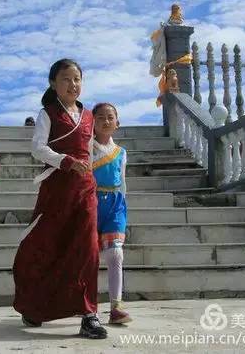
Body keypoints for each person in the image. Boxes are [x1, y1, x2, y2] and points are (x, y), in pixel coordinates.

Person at [12, 59, 107, 339]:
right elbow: (37, 148)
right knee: (47, 247)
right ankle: (35, 304)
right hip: (56, 189)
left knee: (88, 249)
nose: (73, 84)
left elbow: (90, 151)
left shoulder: (88, 115)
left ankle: (89, 314)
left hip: (85, 190)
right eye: (66, 79)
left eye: (77, 79)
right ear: (54, 83)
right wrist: (65, 161)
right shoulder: (48, 113)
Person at [91, 103, 131, 324]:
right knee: (89, 257)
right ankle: (88, 305)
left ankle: (116, 306)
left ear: (117, 122)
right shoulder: (87, 148)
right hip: (91, 203)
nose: (106, 121)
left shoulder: (121, 153)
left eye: (110, 117)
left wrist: (123, 204)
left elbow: (123, 182)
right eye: (100, 118)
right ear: (93, 123)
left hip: (115, 205)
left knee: (115, 254)